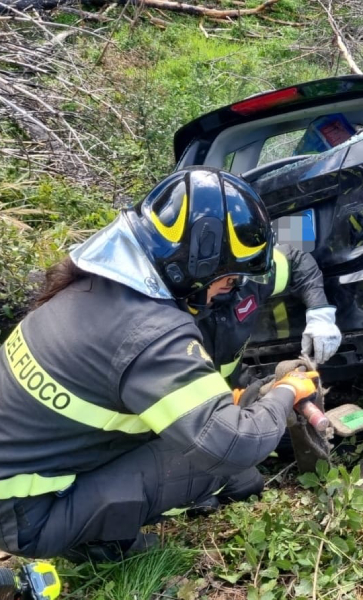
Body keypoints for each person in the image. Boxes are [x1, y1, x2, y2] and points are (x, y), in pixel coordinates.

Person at [0, 167, 319, 561]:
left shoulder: (96, 286)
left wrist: (320, 312)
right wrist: (286, 391)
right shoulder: (149, 330)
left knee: (234, 472)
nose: (232, 290)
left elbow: (294, 260)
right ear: (199, 266)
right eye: (229, 280)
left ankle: (92, 521)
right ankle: (96, 544)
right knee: (227, 468)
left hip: (24, 484)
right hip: (30, 517)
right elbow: (232, 444)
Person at [196, 242, 340, 389]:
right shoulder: (181, 311)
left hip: (232, 385)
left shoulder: (248, 276)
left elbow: (296, 260)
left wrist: (320, 314)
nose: (234, 279)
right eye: (222, 270)